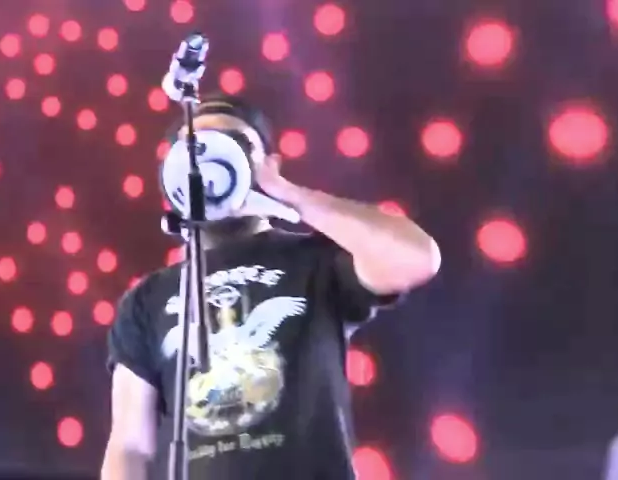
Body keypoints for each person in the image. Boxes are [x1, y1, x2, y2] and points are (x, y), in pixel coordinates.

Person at [102, 93, 441, 480]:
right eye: (196, 148)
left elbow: (416, 258)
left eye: (234, 144)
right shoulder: (147, 300)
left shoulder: (317, 259)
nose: (211, 161)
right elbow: (129, 445)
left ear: (271, 164)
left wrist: (289, 196)